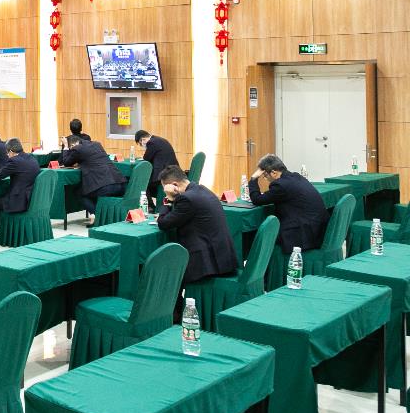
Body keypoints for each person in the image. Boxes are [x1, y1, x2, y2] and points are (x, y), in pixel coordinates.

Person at [157, 165, 238, 319]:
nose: (164, 190)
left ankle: (172, 316)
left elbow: (163, 223)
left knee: (168, 270)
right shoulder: (201, 190)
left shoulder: (186, 199)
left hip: (207, 263)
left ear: (174, 185)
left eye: (164, 187)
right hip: (222, 256)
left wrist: (168, 200)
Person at [248, 154, 330, 254]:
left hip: (304, 234)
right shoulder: (296, 176)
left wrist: (253, 178)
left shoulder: (280, 185)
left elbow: (257, 200)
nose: (266, 179)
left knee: (260, 234)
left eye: (265, 176)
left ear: (273, 173)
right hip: (319, 230)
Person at [59, 135, 126, 226]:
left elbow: (66, 162)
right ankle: (99, 215)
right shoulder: (96, 144)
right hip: (120, 183)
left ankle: (95, 215)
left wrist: (66, 146)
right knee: (90, 189)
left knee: (79, 192)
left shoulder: (77, 148)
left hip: (106, 186)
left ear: (73, 145)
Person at [0, 139, 40, 230]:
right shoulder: (32, 158)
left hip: (18, 201)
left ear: (11, 151)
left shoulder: (14, 161)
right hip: (32, 199)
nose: (7, 155)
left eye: (7, 153)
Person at [135, 129, 179, 204]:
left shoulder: (151, 143)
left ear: (142, 140)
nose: (142, 145)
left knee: (142, 181)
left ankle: (150, 206)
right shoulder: (160, 139)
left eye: (140, 143)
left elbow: (146, 158)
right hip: (173, 171)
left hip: (163, 174)